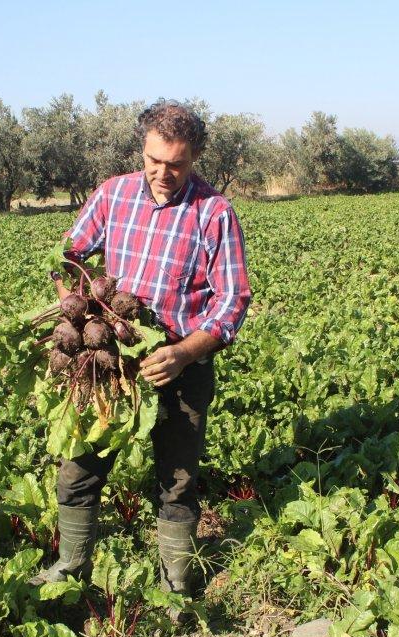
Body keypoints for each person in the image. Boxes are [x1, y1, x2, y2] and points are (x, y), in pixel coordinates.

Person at [30, 101, 253, 610]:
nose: (163, 173)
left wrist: (182, 352)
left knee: (177, 478)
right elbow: (71, 252)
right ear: (144, 149)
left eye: (175, 164)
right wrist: (78, 301)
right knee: (78, 464)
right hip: (109, 364)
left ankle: (175, 579)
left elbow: (232, 300)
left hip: (180, 367)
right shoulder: (113, 194)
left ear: (195, 157)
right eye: (154, 160)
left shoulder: (213, 213)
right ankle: (71, 565)